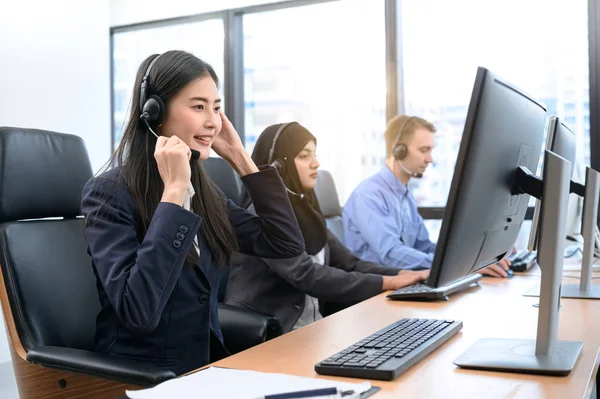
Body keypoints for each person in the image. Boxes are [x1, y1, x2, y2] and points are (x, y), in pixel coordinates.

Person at [81, 51, 305, 375]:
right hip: (142, 378)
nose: (213, 121)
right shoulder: (109, 193)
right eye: (198, 107)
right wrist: (173, 195)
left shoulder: (204, 191)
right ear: (154, 112)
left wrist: (241, 158)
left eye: (216, 108)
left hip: (204, 371)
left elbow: (284, 244)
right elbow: (139, 310)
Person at [225, 122, 429, 333]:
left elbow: (350, 264)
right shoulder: (262, 213)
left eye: (314, 155)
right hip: (270, 332)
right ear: (279, 167)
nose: (316, 164)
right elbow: (306, 275)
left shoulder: (306, 210)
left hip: (313, 326)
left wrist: (406, 274)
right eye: (304, 156)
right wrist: (388, 282)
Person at [343, 115, 511, 277]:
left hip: (401, 282)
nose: (430, 159)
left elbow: (424, 246)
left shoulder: (404, 196)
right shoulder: (368, 195)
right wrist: (455, 266)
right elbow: (391, 254)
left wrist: (470, 257)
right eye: (424, 150)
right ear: (399, 151)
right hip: (373, 292)